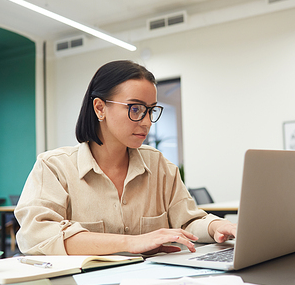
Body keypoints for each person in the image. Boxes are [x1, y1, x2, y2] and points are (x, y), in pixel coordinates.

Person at [15, 60, 236, 255]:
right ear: (100, 108)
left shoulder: (158, 165)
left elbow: (187, 221)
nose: (147, 121)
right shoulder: (54, 167)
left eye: (151, 110)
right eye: (136, 108)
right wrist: (131, 242)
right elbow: (37, 236)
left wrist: (215, 226)